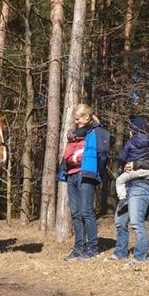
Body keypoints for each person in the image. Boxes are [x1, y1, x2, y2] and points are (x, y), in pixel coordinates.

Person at [57, 103, 110, 261]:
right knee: (75, 213)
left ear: (87, 117)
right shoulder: (73, 135)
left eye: (78, 118)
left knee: (86, 211)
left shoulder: (97, 132)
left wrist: (96, 172)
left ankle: (92, 248)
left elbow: (102, 154)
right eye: (75, 118)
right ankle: (78, 248)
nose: (76, 121)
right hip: (71, 174)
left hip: (86, 174)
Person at [111, 115, 149, 263]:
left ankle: (141, 256)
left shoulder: (130, 142)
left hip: (141, 185)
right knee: (120, 222)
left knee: (136, 222)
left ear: (131, 131)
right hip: (128, 186)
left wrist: (134, 163)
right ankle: (121, 252)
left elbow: (122, 157)